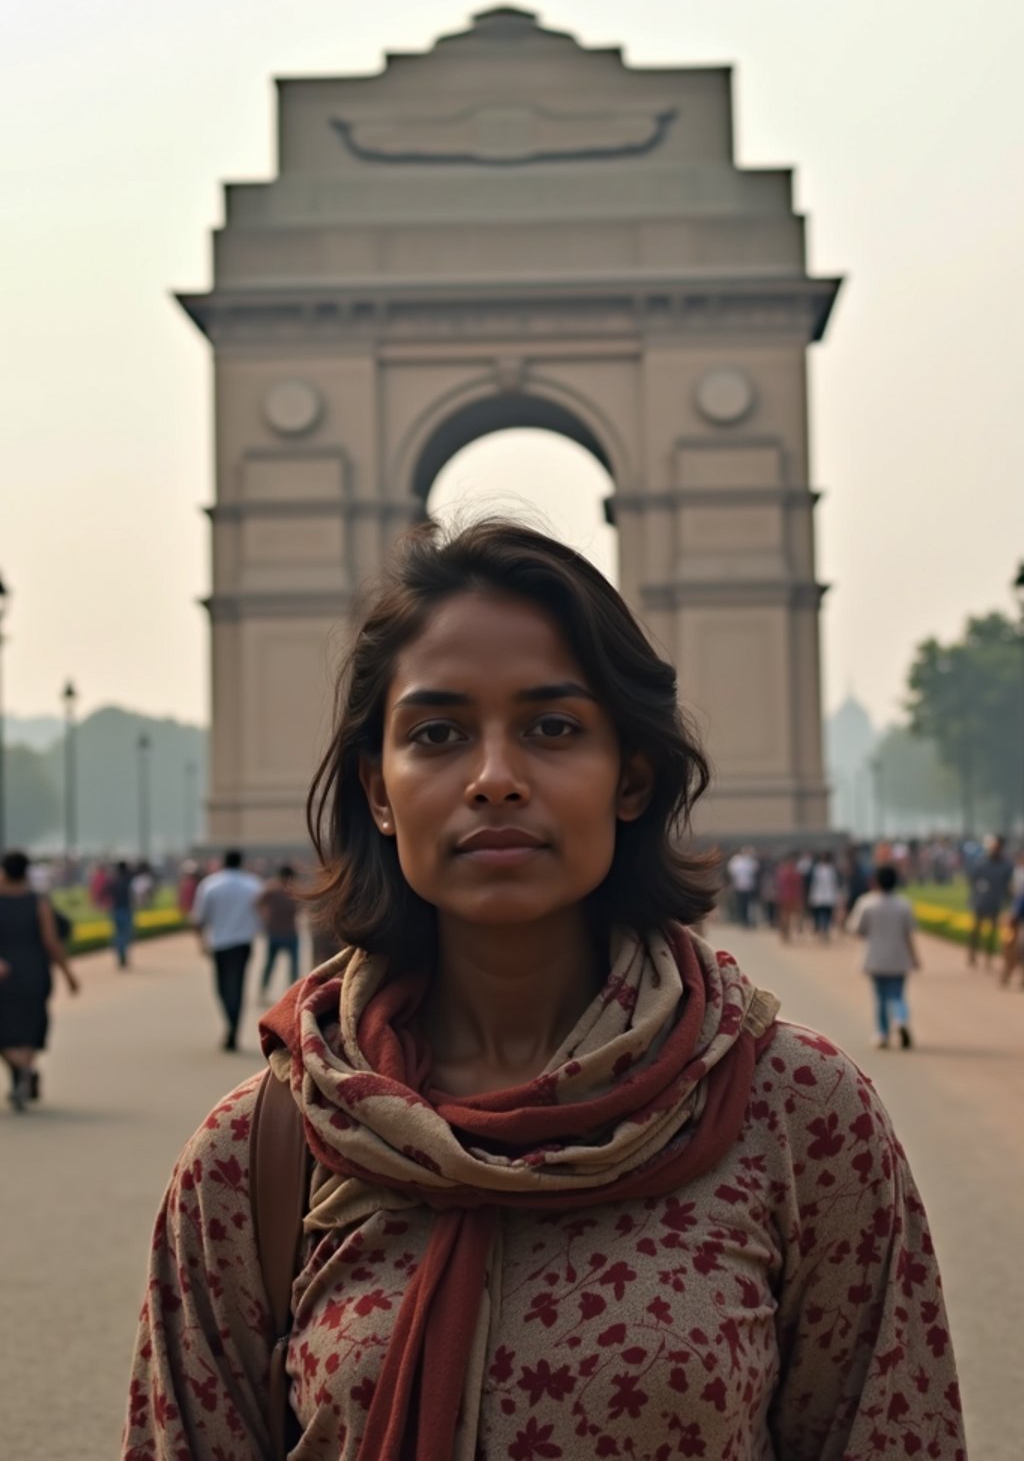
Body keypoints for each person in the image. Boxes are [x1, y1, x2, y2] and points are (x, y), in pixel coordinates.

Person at [123, 520, 964, 1461]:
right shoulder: (257, 1153)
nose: (494, 779)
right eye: (437, 733)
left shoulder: (799, 1114)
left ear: (632, 776)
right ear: (378, 790)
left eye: (552, 727)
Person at [0, 849, 79, 1110]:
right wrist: (68, 975)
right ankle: (26, 1069)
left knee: (6, 1031)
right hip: (34, 971)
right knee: (32, 1027)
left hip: (5, 974)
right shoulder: (38, 902)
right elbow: (51, 942)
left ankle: (21, 1071)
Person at [191, 849, 264, 1051]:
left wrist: (201, 943)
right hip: (243, 943)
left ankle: (230, 1026)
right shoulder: (253, 885)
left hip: (220, 943)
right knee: (238, 987)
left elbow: (198, 918)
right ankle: (234, 1027)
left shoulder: (210, 884)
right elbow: (261, 915)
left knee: (222, 988)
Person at [846, 864, 921, 1049]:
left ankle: (882, 1033)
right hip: (899, 956)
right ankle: (900, 1019)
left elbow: (856, 930)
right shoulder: (904, 904)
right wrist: (915, 957)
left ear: (875, 882)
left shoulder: (867, 903)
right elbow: (909, 934)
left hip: (876, 956)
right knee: (897, 994)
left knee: (880, 996)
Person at [968, 834, 1014, 968]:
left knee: (993, 931)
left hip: (996, 900)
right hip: (981, 899)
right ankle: (973, 954)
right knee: (976, 928)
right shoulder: (982, 862)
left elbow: (1008, 884)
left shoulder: (1006, 865)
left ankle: (988, 957)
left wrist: (1008, 899)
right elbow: (974, 879)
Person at [257, 863, 301, 996]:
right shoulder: (275, 889)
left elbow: (258, 904)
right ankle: (265, 990)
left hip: (283, 932)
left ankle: (291, 992)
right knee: (274, 964)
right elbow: (258, 903)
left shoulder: (276, 889)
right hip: (282, 932)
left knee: (284, 966)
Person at [807, 849, 840, 940]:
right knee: (820, 914)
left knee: (828, 915)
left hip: (829, 896)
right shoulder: (816, 869)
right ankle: (822, 930)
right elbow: (813, 884)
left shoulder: (832, 869)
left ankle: (825, 930)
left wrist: (836, 896)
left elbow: (834, 884)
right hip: (818, 896)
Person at [108, 860, 135, 969]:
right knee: (125, 934)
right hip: (125, 910)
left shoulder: (114, 880)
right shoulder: (127, 879)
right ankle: (122, 953)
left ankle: (120, 953)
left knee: (118, 933)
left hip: (115, 910)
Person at [726, 843, 758, 926]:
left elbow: (755, 872)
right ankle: (742, 919)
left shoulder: (751, 861)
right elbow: (732, 874)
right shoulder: (736, 861)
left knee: (749, 904)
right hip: (739, 886)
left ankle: (748, 919)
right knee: (741, 903)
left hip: (749, 887)